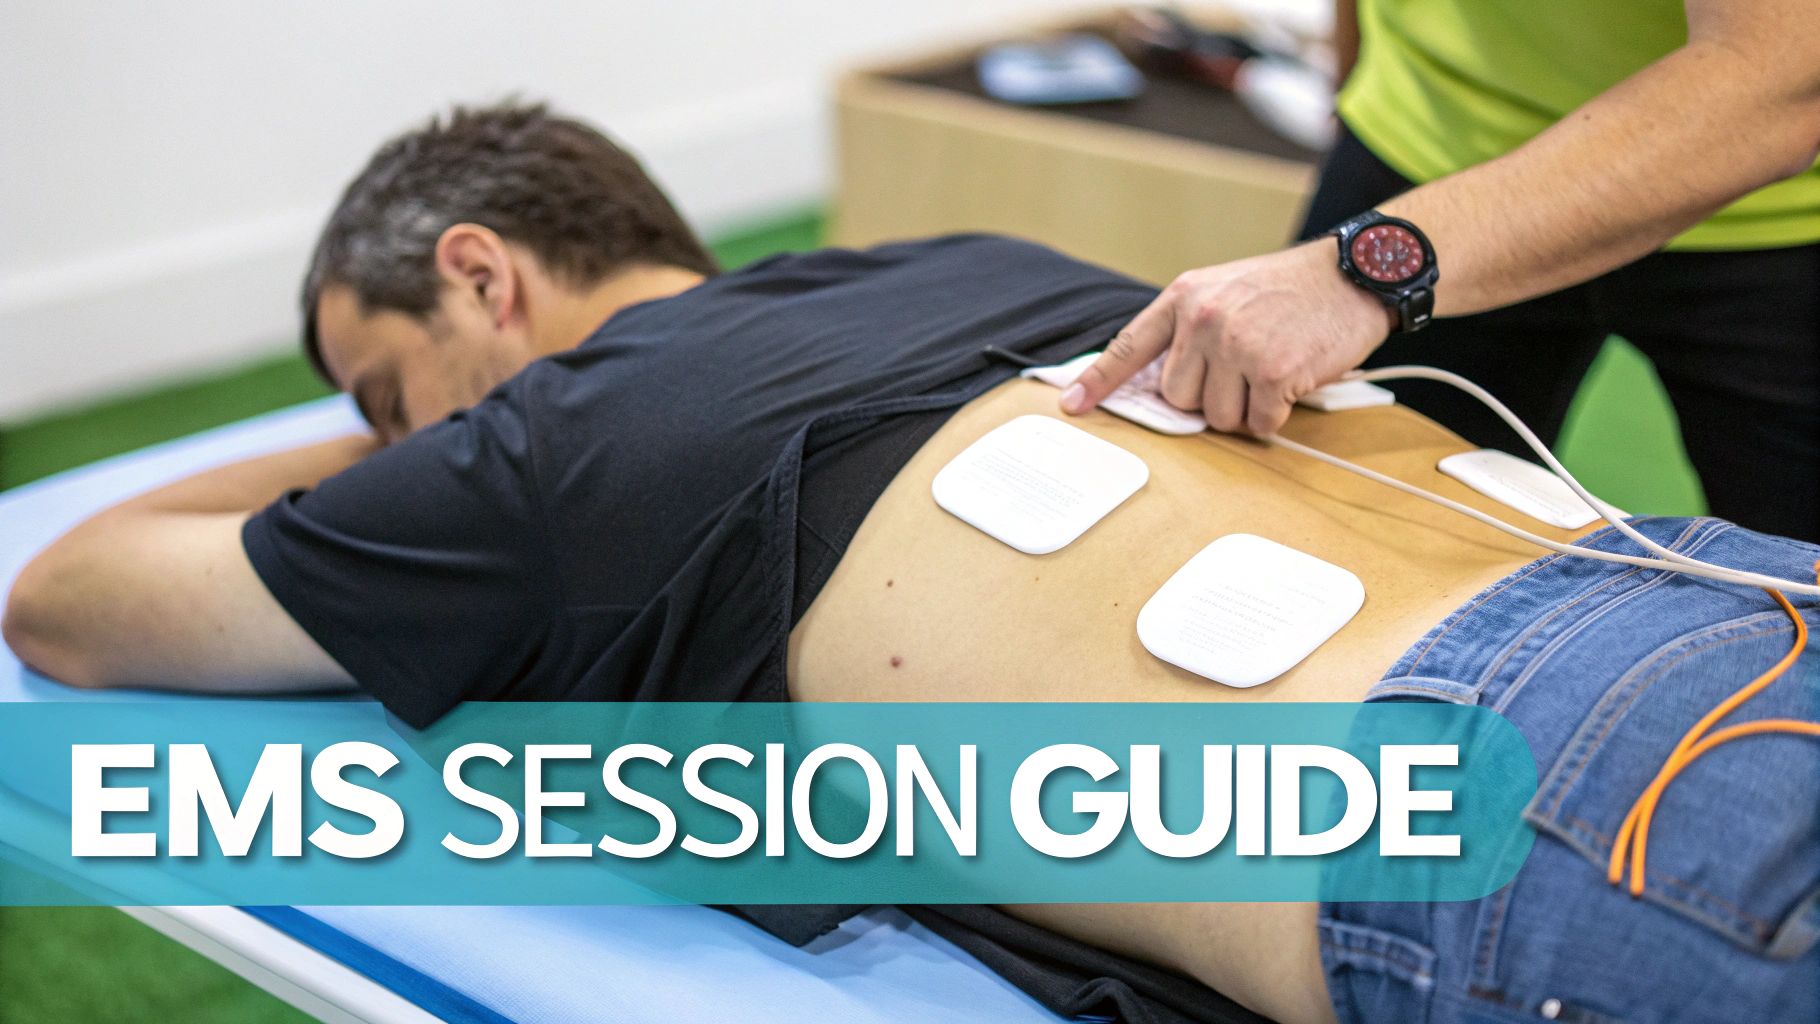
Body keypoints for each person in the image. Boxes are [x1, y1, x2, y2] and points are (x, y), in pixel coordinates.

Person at [4, 104, 1816, 1024]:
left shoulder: (542, 456)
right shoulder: (968, 260)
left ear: (483, 273)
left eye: (387, 391)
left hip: (1535, 789)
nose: (400, 449)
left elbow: (65, 602)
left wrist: (429, 448)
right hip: (1718, 588)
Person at [1061, 0, 1820, 543]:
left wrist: (1361, 274)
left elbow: (1779, 77)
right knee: (1333, 550)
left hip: (1775, 212)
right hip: (1423, 151)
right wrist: (1359, 77)